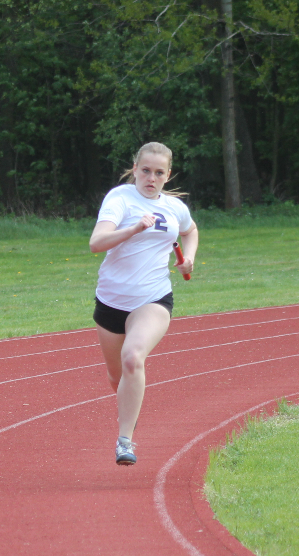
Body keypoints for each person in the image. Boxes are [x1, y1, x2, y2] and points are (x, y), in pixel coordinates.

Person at [89, 142, 198, 465]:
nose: (151, 177)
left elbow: (190, 231)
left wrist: (189, 258)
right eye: (146, 170)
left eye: (159, 172)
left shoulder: (175, 207)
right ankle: (129, 407)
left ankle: (125, 441)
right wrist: (134, 227)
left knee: (133, 358)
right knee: (116, 377)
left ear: (168, 175)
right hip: (110, 300)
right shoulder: (120, 198)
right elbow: (96, 243)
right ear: (135, 169)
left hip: (153, 298)